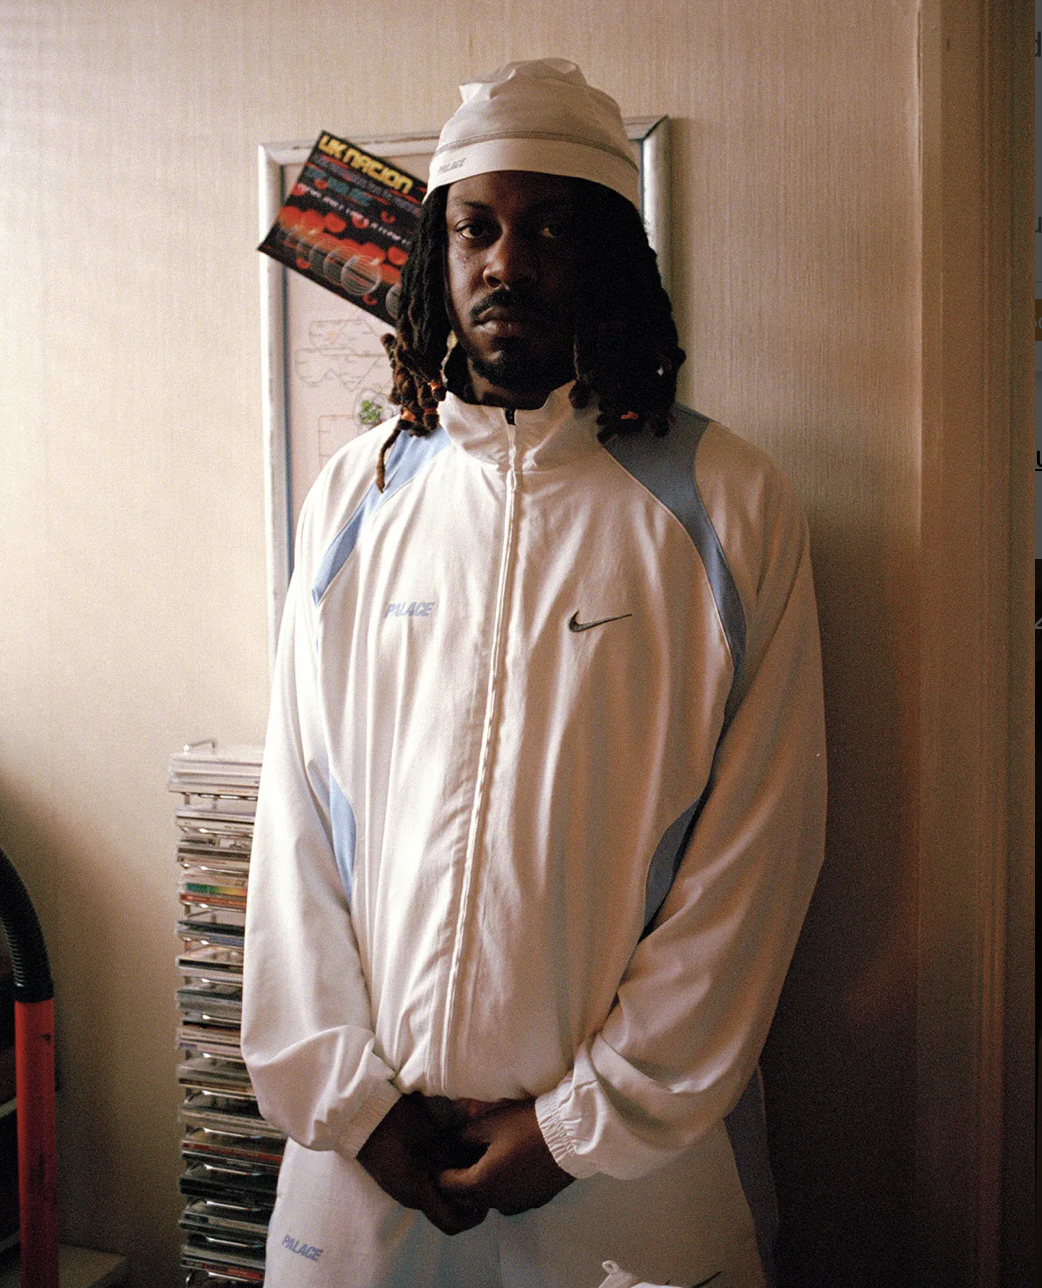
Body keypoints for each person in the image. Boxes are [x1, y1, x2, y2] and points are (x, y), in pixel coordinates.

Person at [241, 57, 826, 1288]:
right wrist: (355, 1103)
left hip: (623, 1179)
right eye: (477, 228)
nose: (507, 262)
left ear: (610, 253)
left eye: (552, 228)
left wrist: (575, 1127)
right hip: (367, 1168)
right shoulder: (355, 497)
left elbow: (756, 856)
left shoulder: (726, 505)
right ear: (437, 253)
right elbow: (294, 824)